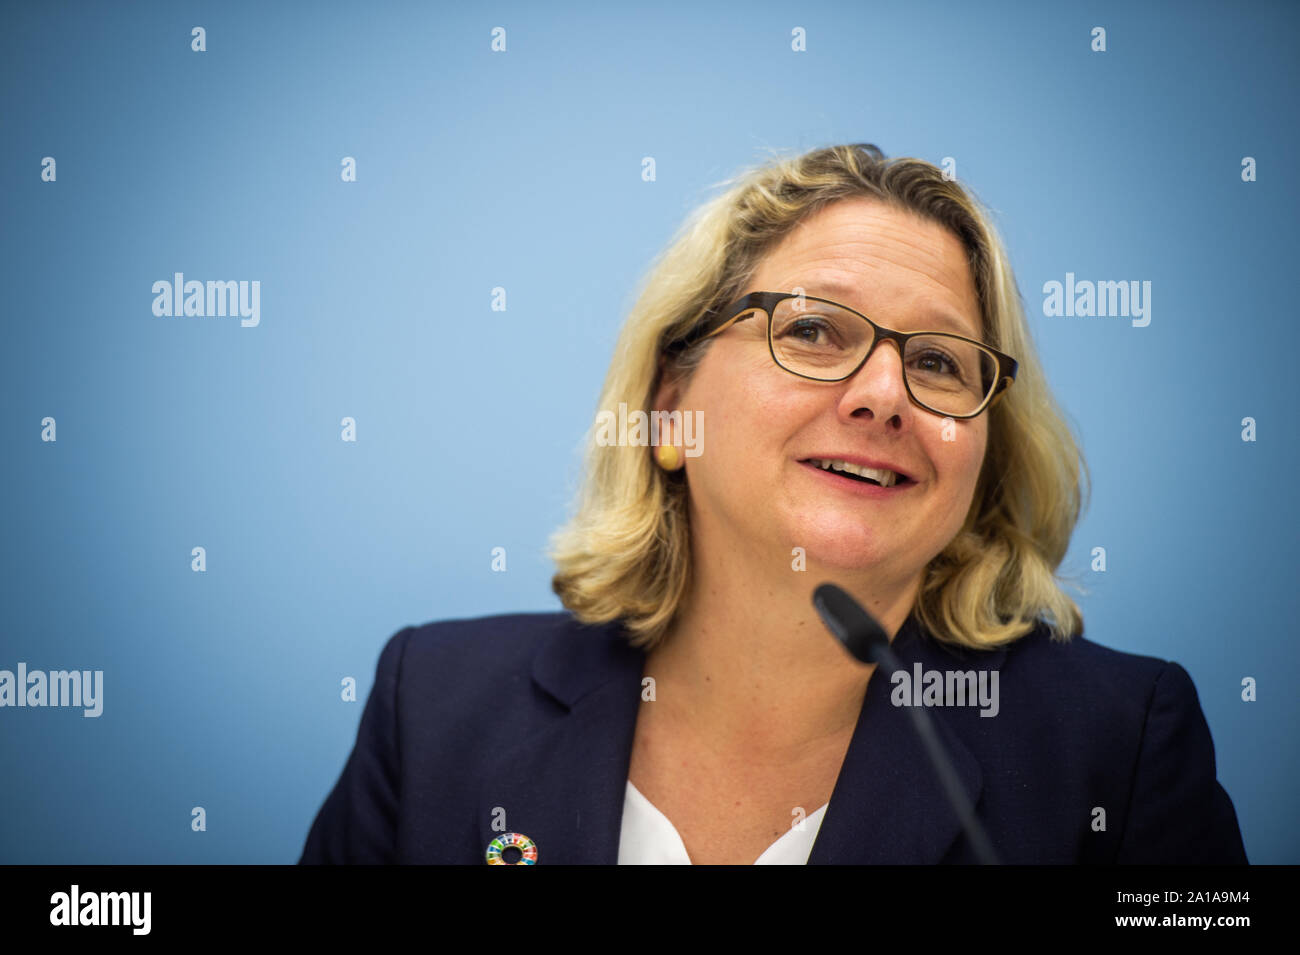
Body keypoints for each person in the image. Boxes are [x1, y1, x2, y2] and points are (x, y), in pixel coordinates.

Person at [299, 143, 1247, 865]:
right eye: (813, 330)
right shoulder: (431, 706)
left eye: (939, 362)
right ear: (669, 409)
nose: (884, 393)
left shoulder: (1118, 751)